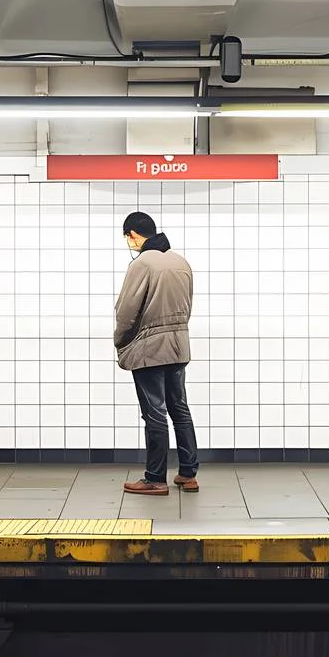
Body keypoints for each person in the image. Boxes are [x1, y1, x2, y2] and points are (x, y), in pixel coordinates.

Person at [115, 212, 199, 495]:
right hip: (178, 345)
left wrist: (121, 341)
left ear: (133, 234)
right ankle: (188, 473)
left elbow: (126, 312)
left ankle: (155, 478)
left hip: (150, 348)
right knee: (179, 409)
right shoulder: (181, 262)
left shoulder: (143, 264)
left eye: (128, 237)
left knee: (154, 413)